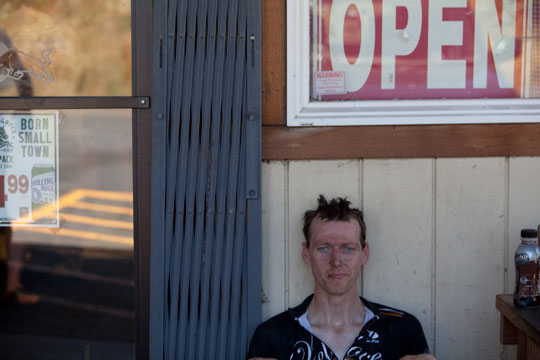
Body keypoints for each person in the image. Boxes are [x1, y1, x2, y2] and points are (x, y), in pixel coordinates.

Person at [247, 195, 435, 360]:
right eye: (324, 248)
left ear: (364, 253)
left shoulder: (401, 329)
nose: (336, 261)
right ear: (306, 253)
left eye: (348, 248)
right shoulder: (274, 335)